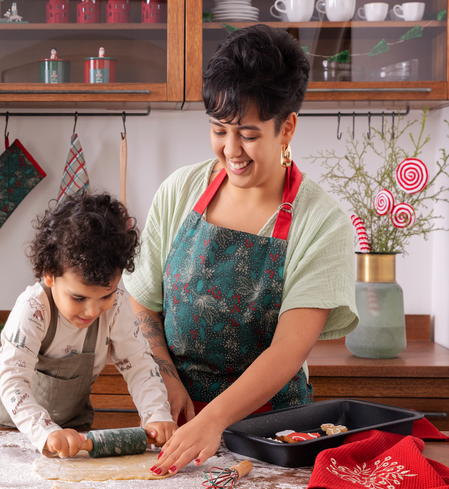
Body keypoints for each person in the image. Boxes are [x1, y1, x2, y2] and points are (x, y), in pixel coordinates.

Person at [122, 24, 359, 476]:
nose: (231, 150)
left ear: (287, 127)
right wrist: (166, 382)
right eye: (218, 130)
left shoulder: (323, 223)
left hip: (272, 437)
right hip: (179, 426)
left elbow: (288, 351)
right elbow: (142, 302)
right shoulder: (181, 191)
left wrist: (214, 421)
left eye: (248, 134)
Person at [0, 192, 177, 458]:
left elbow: (139, 365)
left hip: (72, 438)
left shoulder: (116, 307)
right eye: (78, 297)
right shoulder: (34, 308)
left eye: (106, 295)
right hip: (5, 437)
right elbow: (13, 381)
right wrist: (45, 431)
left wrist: (157, 413)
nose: (93, 310)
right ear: (49, 274)